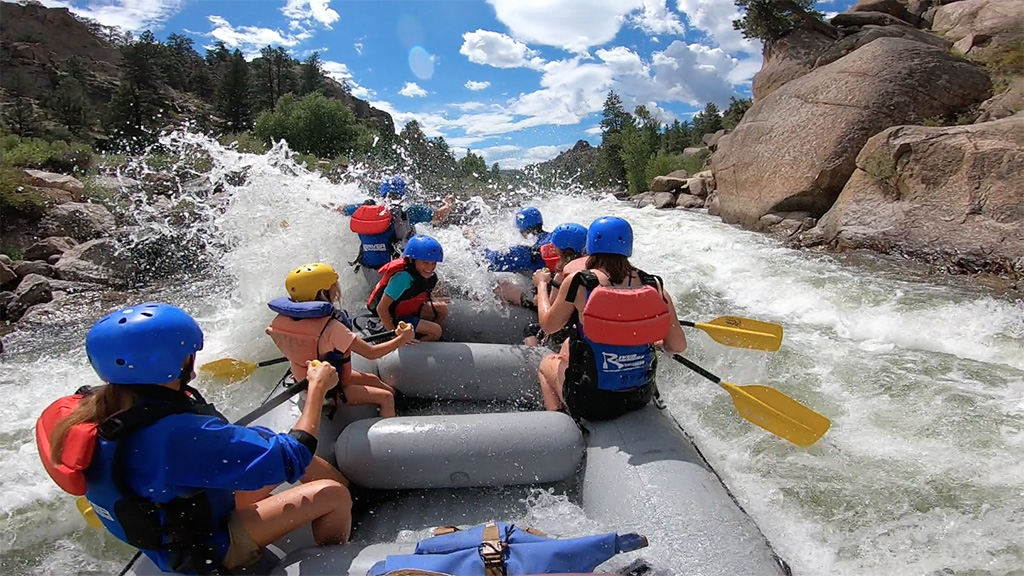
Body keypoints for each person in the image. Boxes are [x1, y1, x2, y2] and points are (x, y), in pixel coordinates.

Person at [36, 303, 351, 574]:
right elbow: (292, 456)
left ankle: (352, 496)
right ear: (172, 361)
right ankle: (332, 559)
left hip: (179, 513)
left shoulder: (98, 406)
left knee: (284, 451)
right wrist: (316, 389)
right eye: (189, 352)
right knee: (332, 494)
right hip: (205, 546)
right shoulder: (176, 435)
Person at [531, 216, 688, 420]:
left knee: (546, 364)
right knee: (569, 345)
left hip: (592, 401)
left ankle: (561, 422)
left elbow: (548, 326)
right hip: (641, 395)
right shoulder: (653, 285)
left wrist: (542, 285)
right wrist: (655, 340)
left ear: (590, 246)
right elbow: (677, 346)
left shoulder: (580, 282)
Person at [266, 263, 414, 418]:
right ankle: (390, 424)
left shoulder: (280, 322)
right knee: (386, 397)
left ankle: (400, 404)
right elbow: (371, 353)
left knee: (373, 379)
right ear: (323, 292)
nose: (337, 290)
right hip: (327, 389)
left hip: (309, 378)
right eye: (334, 286)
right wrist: (401, 339)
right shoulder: (332, 327)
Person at [339, 176, 455, 280]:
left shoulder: (362, 210)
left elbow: (340, 209)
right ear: (403, 195)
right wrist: (449, 204)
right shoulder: (410, 212)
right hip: (396, 273)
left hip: (368, 272)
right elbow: (439, 217)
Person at [367, 234, 449, 342]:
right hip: (393, 318)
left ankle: (432, 340)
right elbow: (381, 308)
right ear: (411, 260)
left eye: (433, 263)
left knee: (442, 308)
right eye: (425, 263)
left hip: (406, 312)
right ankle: (413, 346)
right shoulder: (403, 278)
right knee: (436, 331)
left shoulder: (424, 275)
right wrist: (395, 335)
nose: (430, 267)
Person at [520, 222, 588, 346]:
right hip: (585, 330)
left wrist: (541, 284)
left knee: (530, 329)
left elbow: (549, 316)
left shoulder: (561, 276)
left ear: (559, 249)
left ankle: (535, 354)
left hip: (566, 334)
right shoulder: (592, 270)